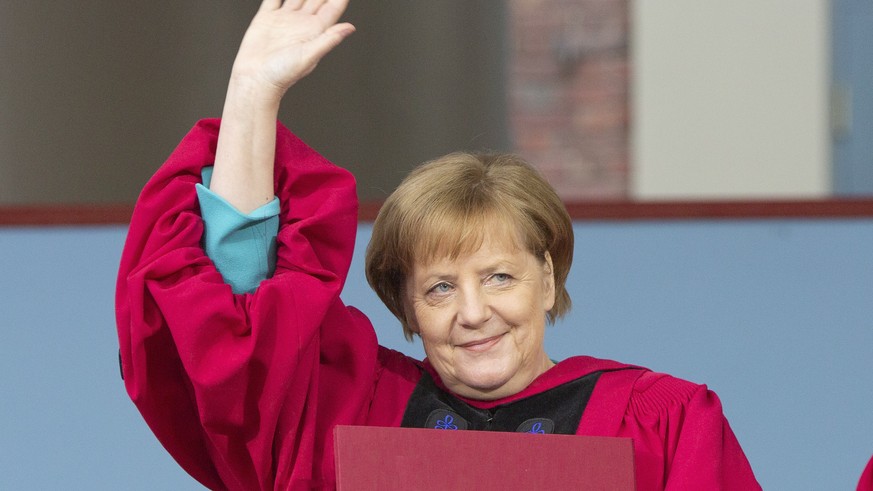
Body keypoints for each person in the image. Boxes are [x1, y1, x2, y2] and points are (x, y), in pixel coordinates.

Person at [115, 1, 760, 489]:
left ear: (549, 278)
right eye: (439, 288)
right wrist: (253, 94)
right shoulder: (352, 410)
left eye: (500, 277)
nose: (473, 311)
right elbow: (239, 327)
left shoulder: (658, 423)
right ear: (406, 309)